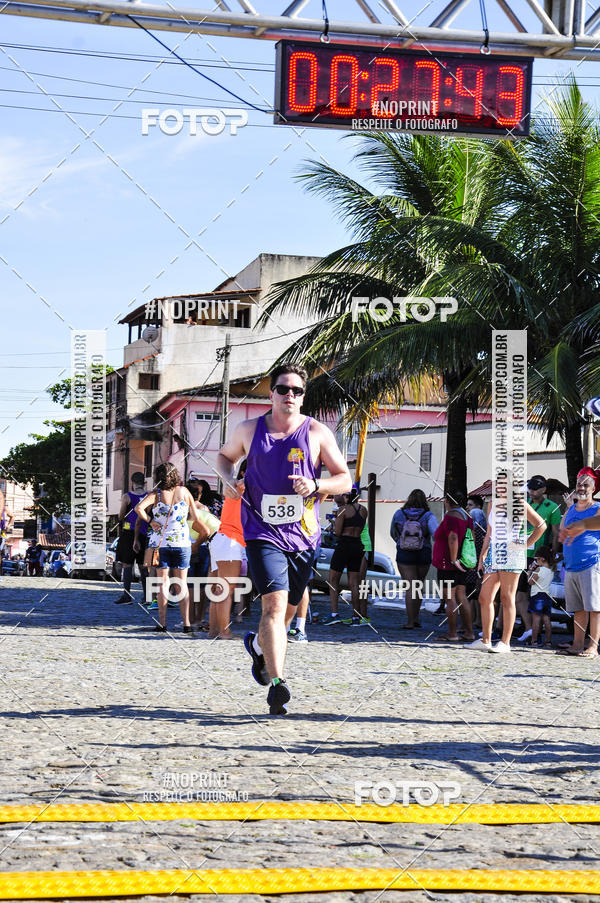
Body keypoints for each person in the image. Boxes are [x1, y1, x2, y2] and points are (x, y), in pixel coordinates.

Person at [216, 362, 351, 715]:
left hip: (304, 535)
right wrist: (229, 481)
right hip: (262, 531)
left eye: (297, 391)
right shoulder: (249, 429)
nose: (289, 395)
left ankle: (261, 652)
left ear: (303, 397)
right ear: (271, 393)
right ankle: (278, 685)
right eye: (283, 389)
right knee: (273, 607)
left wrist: (318, 485)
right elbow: (224, 458)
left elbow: (345, 479)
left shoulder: (318, 433)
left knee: (289, 611)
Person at [468, 500, 546, 653]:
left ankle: (505, 642)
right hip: (493, 553)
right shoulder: (492, 503)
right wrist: (482, 556)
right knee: (484, 597)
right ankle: (486, 640)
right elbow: (489, 534)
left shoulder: (520, 503)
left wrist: (524, 545)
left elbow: (541, 525)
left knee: (506, 597)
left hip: (512, 552)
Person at [135, 462, 204, 634]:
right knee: (182, 584)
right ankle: (187, 624)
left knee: (163, 584)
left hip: (161, 544)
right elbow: (195, 517)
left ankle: (163, 623)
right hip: (182, 543)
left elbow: (138, 508)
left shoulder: (156, 495)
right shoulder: (185, 492)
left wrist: (152, 521)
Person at [557, 467, 600, 657]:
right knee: (578, 608)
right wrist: (568, 507)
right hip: (571, 566)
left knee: (594, 607)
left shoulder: (597, 508)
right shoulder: (573, 508)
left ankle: (593, 647)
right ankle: (577, 644)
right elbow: (562, 528)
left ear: (593, 489)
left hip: (591, 563)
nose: (581, 488)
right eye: (579, 485)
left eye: (585, 485)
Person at [515, 476, 562, 643]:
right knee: (519, 595)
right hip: (521, 554)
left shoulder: (552, 507)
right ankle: (528, 629)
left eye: (536, 488)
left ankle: (533, 631)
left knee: (537, 596)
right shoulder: (523, 503)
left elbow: (556, 533)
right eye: (531, 488)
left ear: (544, 490)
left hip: (539, 558)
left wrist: (553, 556)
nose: (533, 491)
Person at [207, 461, 246, 640]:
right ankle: (224, 631)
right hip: (231, 540)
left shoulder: (234, 487)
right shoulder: (243, 487)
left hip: (221, 539)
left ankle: (214, 631)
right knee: (225, 590)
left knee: (217, 589)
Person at [391, 489, 438, 629]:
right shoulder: (428, 515)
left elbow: (392, 532)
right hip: (423, 552)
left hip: (404, 553)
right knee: (418, 585)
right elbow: (435, 533)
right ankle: (416, 618)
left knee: (410, 587)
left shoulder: (399, 513)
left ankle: (410, 621)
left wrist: (401, 542)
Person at [431, 493, 475, 643]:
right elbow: (471, 537)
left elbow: (453, 537)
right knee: (462, 596)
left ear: (448, 502)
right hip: (461, 562)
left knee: (450, 598)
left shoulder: (451, 516)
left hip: (448, 563)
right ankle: (469, 632)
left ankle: (452, 633)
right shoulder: (467, 517)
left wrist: (453, 559)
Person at [324, 488, 369, 627]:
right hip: (357, 545)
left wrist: (333, 524)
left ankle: (334, 614)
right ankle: (356, 616)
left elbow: (337, 532)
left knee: (333, 579)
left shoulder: (342, 510)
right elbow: (360, 528)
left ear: (346, 496)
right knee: (354, 583)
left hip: (344, 545)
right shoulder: (363, 509)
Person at [114, 472, 149, 605]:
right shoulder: (149, 496)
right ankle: (147, 597)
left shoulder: (127, 496)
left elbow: (121, 515)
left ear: (132, 482)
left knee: (127, 564)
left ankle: (127, 595)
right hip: (144, 533)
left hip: (129, 532)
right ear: (144, 482)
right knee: (143, 566)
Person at [527, 546, 555, 648]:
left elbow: (530, 582)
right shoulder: (551, 569)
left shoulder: (539, 569)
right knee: (547, 620)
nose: (536, 561)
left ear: (542, 559)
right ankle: (548, 642)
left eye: (536, 559)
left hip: (537, 596)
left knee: (536, 621)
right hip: (547, 596)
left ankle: (534, 641)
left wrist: (530, 571)